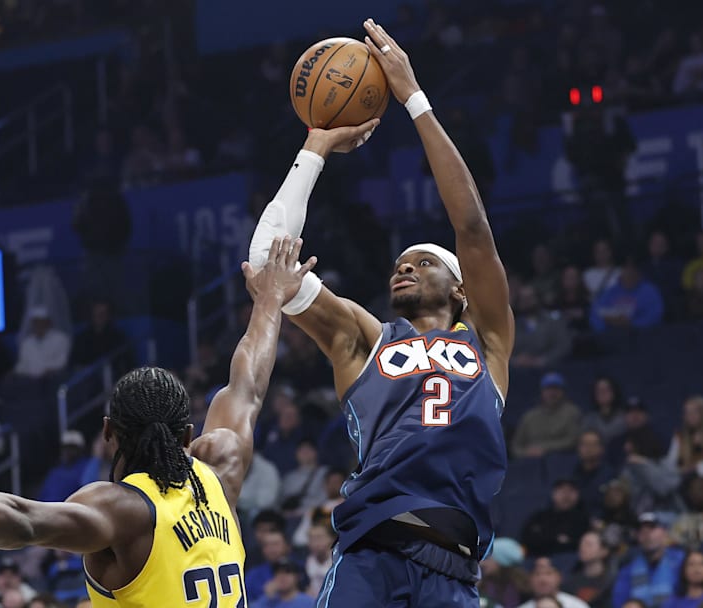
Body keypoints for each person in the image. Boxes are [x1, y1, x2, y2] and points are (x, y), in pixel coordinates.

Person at [0, 237, 315, 608]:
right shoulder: (220, 467)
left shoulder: (121, 509)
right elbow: (247, 384)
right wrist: (270, 301)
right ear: (188, 435)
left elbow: (21, 521)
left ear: (108, 433)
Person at [247, 19, 514, 607]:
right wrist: (316, 144)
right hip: (372, 555)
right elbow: (267, 263)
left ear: (461, 290)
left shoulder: (488, 342)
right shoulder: (368, 341)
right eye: (400, 262)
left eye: (423, 262)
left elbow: (471, 227)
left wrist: (413, 98)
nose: (405, 267)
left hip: (455, 570)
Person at [612, 514, 686, 608]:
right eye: (641, 531)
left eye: (652, 528)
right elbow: (619, 603)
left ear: (664, 532)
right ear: (637, 537)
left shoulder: (681, 561)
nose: (647, 534)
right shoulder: (627, 570)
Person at [512, 373, 582, 458]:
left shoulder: (572, 412)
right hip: (531, 462)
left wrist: (545, 448)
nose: (552, 393)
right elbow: (516, 446)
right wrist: (526, 452)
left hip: (561, 459)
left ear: (563, 392)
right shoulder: (529, 417)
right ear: (542, 392)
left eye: (556, 389)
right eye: (548, 389)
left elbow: (573, 440)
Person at [521, 479, 591, 556]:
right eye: (562, 491)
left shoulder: (583, 519)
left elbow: (581, 544)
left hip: (569, 561)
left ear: (578, 494)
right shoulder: (539, 517)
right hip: (536, 559)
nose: (566, 496)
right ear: (553, 493)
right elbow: (528, 540)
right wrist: (556, 539)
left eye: (571, 491)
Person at [566, 530, 617, 608]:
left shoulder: (613, 581)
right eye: (581, 543)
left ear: (604, 551)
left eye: (588, 544)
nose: (582, 547)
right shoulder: (570, 579)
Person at [518, 556, 592, 608]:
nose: (543, 579)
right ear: (530, 579)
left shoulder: (576, 606)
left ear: (559, 577)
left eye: (548, 573)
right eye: (537, 574)